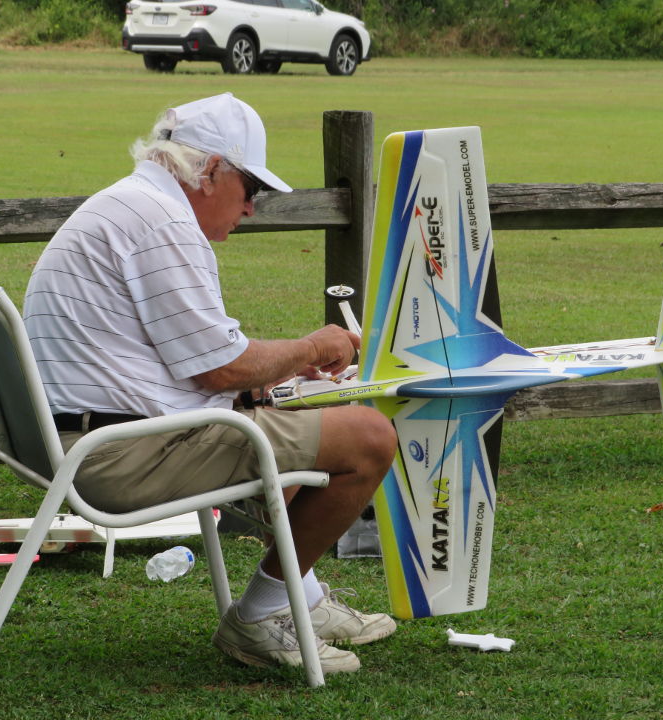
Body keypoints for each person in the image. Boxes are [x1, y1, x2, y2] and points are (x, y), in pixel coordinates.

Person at [23, 93, 398, 674]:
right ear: (212, 171)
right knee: (371, 436)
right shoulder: (162, 221)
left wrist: (277, 369)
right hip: (114, 455)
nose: (251, 208)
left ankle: (302, 599)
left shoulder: (130, 203)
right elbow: (220, 369)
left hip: (75, 440)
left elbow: (194, 358)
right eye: (253, 190)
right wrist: (315, 348)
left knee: (294, 424)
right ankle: (263, 615)